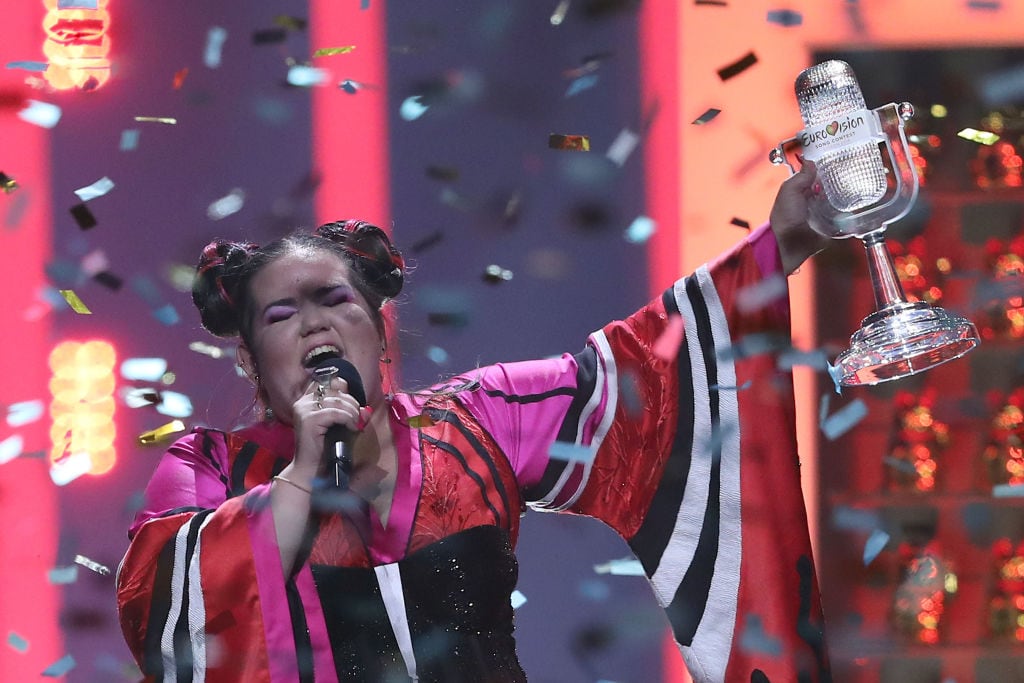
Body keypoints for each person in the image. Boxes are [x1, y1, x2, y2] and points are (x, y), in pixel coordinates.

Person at [116, 162, 832, 683]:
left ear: (379, 327)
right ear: (250, 359)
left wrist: (784, 243)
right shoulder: (206, 466)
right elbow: (162, 613)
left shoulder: (474, 421)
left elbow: (644, 377)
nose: (313, 325)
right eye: (281, 315)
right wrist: (306, 470)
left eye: (334, 299)